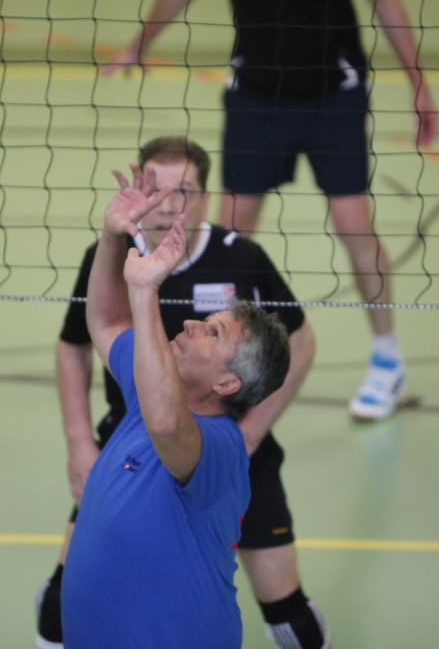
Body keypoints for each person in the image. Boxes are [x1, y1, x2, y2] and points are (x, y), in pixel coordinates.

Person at [101, 0, 439, 422]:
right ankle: (222, 363)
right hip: (257, 99)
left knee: (354, 225)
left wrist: (418, 81)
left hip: (333, 95)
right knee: (232, 232)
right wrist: (139, 44)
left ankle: (387, 357)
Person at [36, 137, 328, 648]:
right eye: (157, 190)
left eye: (212, 332)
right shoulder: (141, 399)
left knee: (288, 613)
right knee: (54, 607)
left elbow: (169, 423)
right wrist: (112, 234)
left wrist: (144, 291)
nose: (191, 323)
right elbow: (105, 323)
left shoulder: (216, 445)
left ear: (227, 383)